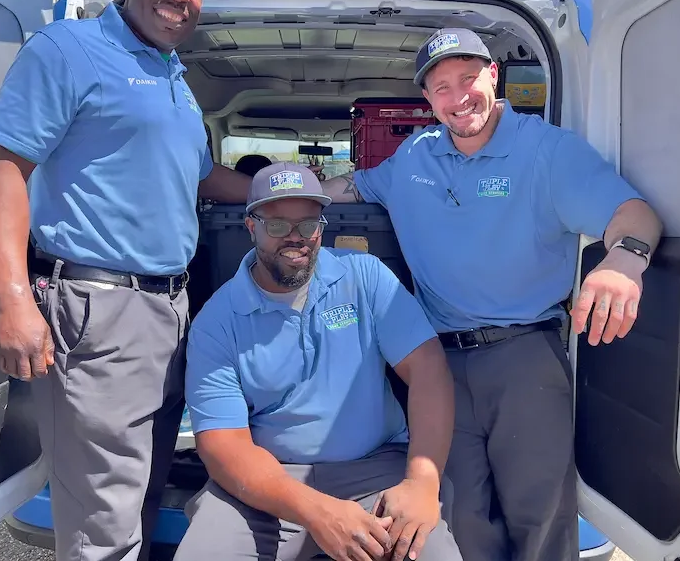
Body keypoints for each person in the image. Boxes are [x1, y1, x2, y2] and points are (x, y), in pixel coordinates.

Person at [321, 28, 662, 561]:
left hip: (524, 358)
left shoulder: (547, 151)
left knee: (540, 514)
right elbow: (352, 188)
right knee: (458, 516)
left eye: (467, 79)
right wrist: (285, 188)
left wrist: (624, 260)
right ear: (428, 100)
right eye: (441, 89)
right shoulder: (414, 156)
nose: (458, 100)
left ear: (493, 76)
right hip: (437, 366)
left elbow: (633, 214)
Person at [0, 0, 251, 561]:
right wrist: (14, 298)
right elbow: (4, 168)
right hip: (100, 307)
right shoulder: (69, 50)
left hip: (173, 310)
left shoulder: (176, 81)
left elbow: (204, 178)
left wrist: (291, 188)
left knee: (144, 485)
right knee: (105, 514)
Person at [176, 162, 464, 561]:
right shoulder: (217, 321)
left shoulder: (365, 276)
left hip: (377, 471)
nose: (296, 239)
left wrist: (422, 482)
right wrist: (317, 511)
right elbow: (224, 446)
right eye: (277, 226)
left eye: (307, 224)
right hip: (269, 484)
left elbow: (429, 369)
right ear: (250, 226)